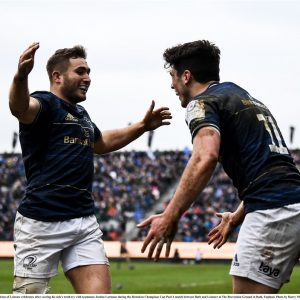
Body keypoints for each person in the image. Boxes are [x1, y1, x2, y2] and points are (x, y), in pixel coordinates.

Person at [137, 40, 300, 294]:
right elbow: (275, 172)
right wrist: (236, 217)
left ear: (186, 76)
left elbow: (205, 157)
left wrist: (169, 216)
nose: (172, 85)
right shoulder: (243, 96)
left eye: (173, 76)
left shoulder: (201, 103)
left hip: (272, 212)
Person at [9, 42, 172, 294]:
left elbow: (102, 142)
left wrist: (141, 126)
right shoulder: (45, 104)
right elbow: (19, 107)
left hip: (83, 220)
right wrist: (21, 76)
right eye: (80, 71)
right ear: (57, 77)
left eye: (89, 72)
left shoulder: (81, 114)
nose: (88, 78)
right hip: (41, 222)